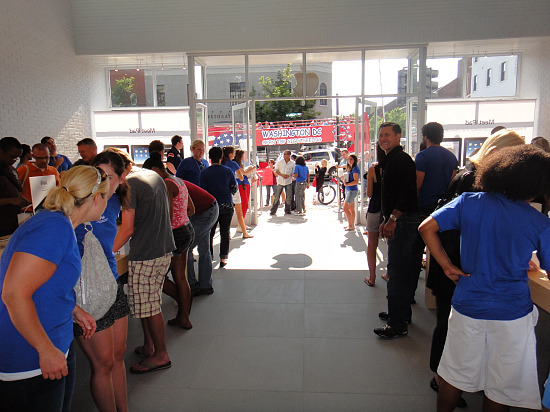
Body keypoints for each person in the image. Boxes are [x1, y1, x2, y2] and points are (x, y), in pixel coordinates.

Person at [419, 145, 550, 412]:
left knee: (454, 374)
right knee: (501, 386)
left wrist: (446, 265)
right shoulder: (538, 222)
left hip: (468, 304)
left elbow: (427, 227)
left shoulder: (469, 202)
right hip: (512, 312)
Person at [0, 165, 108, 412]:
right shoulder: (54, 227)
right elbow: (14, 293)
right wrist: (45, 349)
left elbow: (45, 282)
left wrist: (73, 309)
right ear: (96, 198)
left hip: (52, 342)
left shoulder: (60, 224)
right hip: (30, 355)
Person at [73, 151, 131, 412]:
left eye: (108, 177)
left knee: (118, 357)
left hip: (111, 282)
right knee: (103, 363)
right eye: (98, 175)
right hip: (86, 292)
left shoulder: (118, 200)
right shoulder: (82, 204)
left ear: (121, 178)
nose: (102, 183)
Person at [112, 159, 175, 375]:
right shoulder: (151, 174)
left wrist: (107, 251)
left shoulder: (130, 185)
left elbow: (127, 229)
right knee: (148, 304)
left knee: (150, 307)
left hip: (146, 253)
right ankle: (150, 347)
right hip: (162, 247)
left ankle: (161, 354)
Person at [374, 122, 418, 339]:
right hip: (399, 220)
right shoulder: (392, 159)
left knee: (397, 273)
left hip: (402, 222)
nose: (383, 138)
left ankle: (397, 323)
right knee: (401, 270)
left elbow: (406, 194)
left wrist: (392, 219)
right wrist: (386, 219)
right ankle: (400, 314)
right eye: (381, 135)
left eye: (387, 135)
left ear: (399, 136)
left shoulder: (400, 160)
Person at [143, 152, 195, 329]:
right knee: (180, 276)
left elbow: (168, 215)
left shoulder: (166, 184)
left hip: (175, 234)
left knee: (157, 276)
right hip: (186, 229)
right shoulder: (178, 180)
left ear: (156, 169)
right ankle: (184, 317)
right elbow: (191, 209)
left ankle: (184, 310)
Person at [411, 122, 458, 303]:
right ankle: (441, 294)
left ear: (425, 137)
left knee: (415, 252)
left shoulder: (422, 157)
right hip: (444, 211)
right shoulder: (451, 157)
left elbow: (418, 185)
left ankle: (411, 294)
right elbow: (452, 186)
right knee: (441, 251)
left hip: (424, 210)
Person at [200, 146, 237, 268]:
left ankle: (209, 256)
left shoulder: (204, 173)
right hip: (227, 204)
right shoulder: (227, 171)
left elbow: (202, 191)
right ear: (221, 157)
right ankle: (223, 258)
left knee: (210, 232)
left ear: (209, 158)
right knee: (225, 232)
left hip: (211, 206)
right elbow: (234, 187)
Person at [184, 180, 218, 296]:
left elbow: (189, 210)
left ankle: (191, 285)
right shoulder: (173, 181)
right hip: (206, 209)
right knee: (204, 248)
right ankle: (205, 285)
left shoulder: (169, 184)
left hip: (205, 212)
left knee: (186, 248)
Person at [363, 144, 386, 287]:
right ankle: (389, 273)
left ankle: (372, 277)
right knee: (391, 244)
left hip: (374, 209)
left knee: (372, 244)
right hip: (390, 210)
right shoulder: (395, 169)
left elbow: (369, 193)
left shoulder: (373, 170)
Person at [0, 137, 30, 236]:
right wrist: (12, 200)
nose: (14, 160)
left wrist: (22, 199)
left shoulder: (11, 169)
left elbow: (16, 189)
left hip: (13, 222)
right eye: (12, 157)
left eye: (17, 158)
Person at [222, 146, 253, 238]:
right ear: (230, 154)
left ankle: (228, 233)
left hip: (224, 188)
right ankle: (244, 232)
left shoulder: (222, 163)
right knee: (239, 211)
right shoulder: (233, 164)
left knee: (226, 212)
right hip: (233, 188)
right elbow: (241, 177)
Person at [234, 149, 256, 226]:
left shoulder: (240, 164)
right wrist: (252, 168)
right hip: (241, 184)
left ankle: (241, 223)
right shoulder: (236, 164)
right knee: (244, 204)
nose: (244, 156)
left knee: (245, 204)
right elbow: (244, 172)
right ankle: (241, 224)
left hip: (244, 184)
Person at [270, 150, 295, 216]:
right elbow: (276, 170)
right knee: (277, 196)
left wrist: (289, 175)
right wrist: (282, 175)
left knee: (288, 196)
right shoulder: (279, 162)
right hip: (280, 181)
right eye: (284, 154)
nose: (284, 155)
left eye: (286, 154)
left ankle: (287, 210)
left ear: (289, 155)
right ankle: (273, 210)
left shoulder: (292, 163)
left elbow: (293, 171)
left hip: (288, 181)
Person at [341, 153, 360, 231]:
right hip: (349, 189)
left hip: (352, 190)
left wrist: (348, 184)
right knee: (351, 208)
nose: (349, 160)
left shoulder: (355, 168)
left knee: (345, 208)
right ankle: (351, 224)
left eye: (351, 159)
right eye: (349, 159)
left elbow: (356, 181)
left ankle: (351, 225)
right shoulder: (350, 168)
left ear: (354, 160)